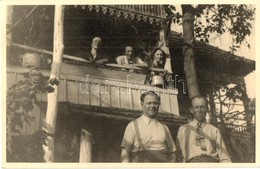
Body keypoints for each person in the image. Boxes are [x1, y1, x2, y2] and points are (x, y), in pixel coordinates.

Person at [121, 91, 176, 162]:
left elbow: (172, 153)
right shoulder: (133, 126)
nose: (152, 106)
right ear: (142, 104)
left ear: (159, 105)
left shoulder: (164, 127)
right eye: (149, 103)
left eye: (155, 103)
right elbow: (125, 154)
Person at [176, 95, 231, 163]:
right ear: (191, 110)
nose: (200, 110)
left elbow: (224, 156)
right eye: (196, 107)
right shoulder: (183, 129)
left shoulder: (214, 130)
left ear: (207, 109)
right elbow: (178, 154)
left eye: (202, 107)